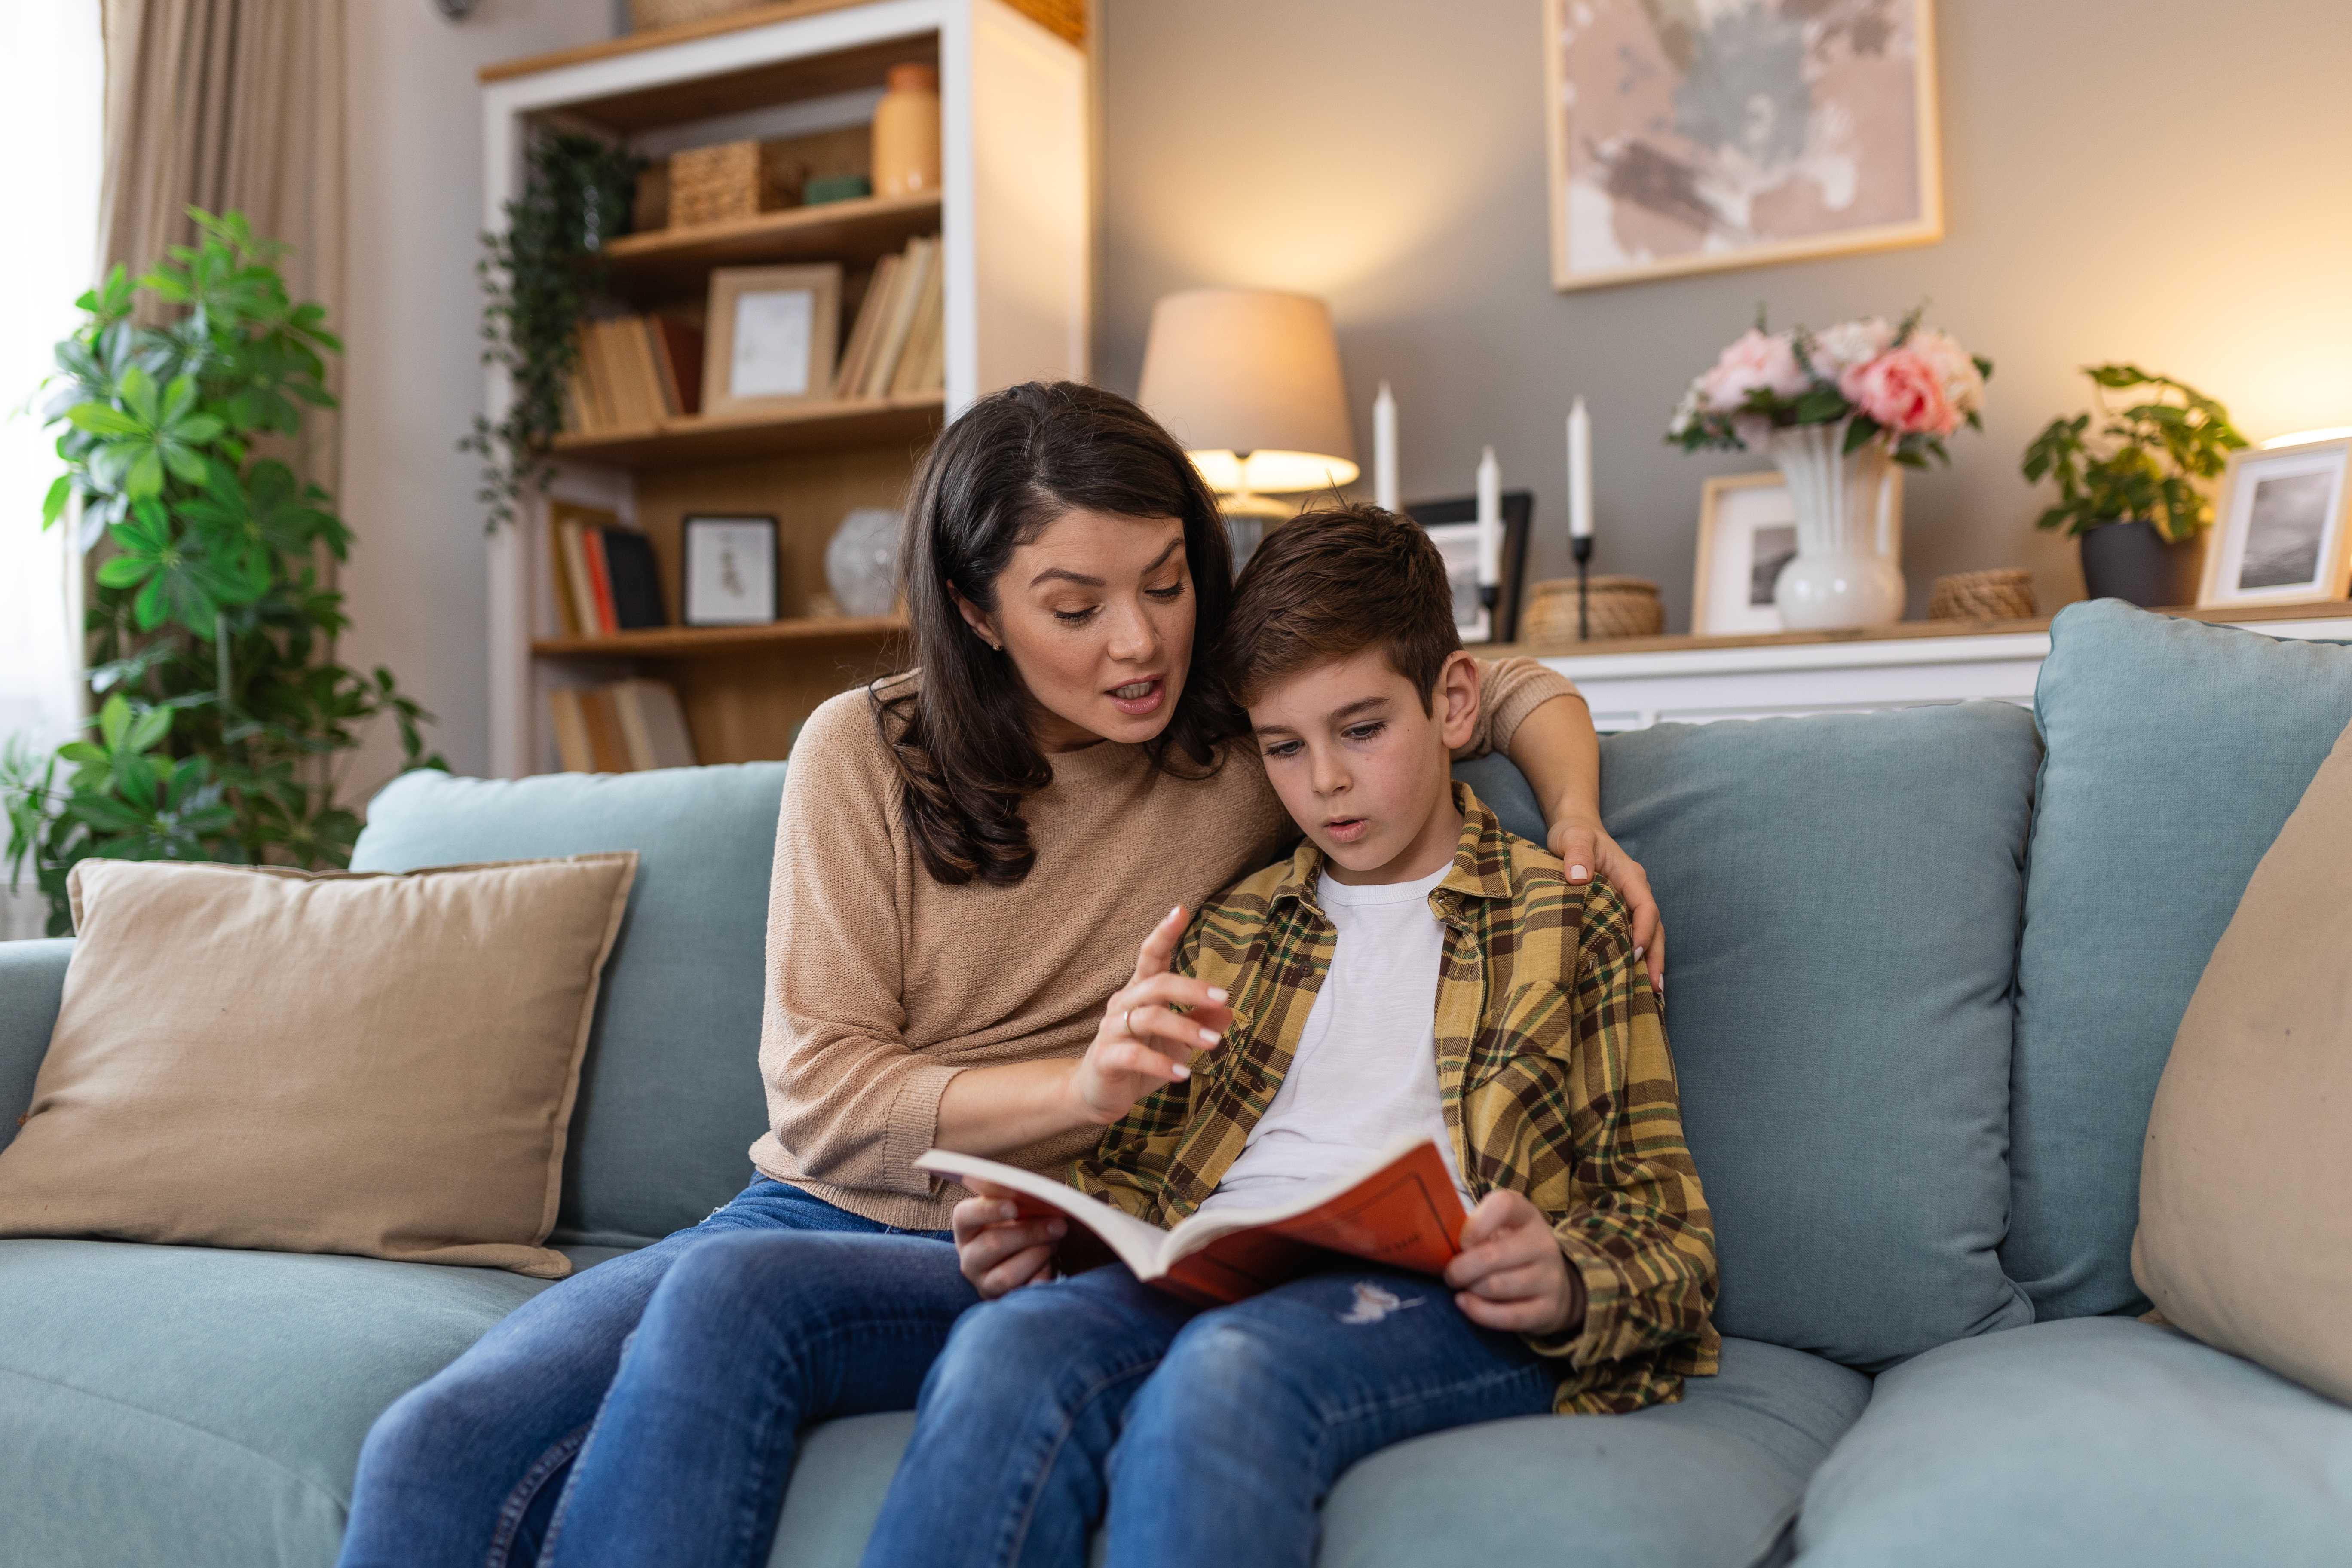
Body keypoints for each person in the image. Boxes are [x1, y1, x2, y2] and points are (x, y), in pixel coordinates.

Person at [337, 384, 1663, 1568]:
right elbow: (818, 1099)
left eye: (1165, 581)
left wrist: (1577, 813)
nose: (1138, 644)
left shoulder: (1239, 732)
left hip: (1049, 1233)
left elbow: (1486, 686)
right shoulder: (863, 752)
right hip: (814, 1212)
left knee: (735, 1301)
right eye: (1074, 608)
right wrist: (1079, 1085)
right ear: (977, 610)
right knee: (432, 1446)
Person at [857, 502, 1718, 1568]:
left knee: (1231, 1371)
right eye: (1283, 747)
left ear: (1454, 702)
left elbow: (1671, 1234)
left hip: (1434, 1304)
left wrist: (1572, 1280)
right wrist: (1048, 1237)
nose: (1326, 783)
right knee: (1008, 1345)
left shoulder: (1565, 922)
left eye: (1362, 730)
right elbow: (1142, 1183)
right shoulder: (1231, 927)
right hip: (1213, 1269)